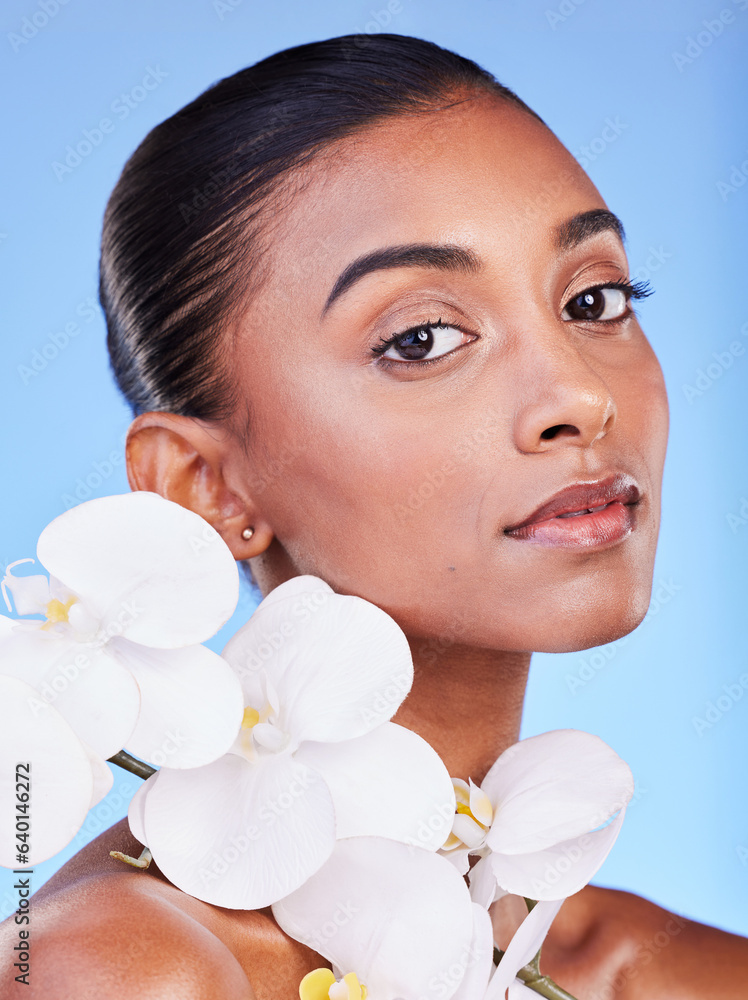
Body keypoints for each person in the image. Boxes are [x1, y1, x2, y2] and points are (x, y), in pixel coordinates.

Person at [2, 32, 746, 1000]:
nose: (579, 395)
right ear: (202, 486)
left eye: (594, 298)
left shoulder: (684, 975)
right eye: (423, 338)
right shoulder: (126, 972)